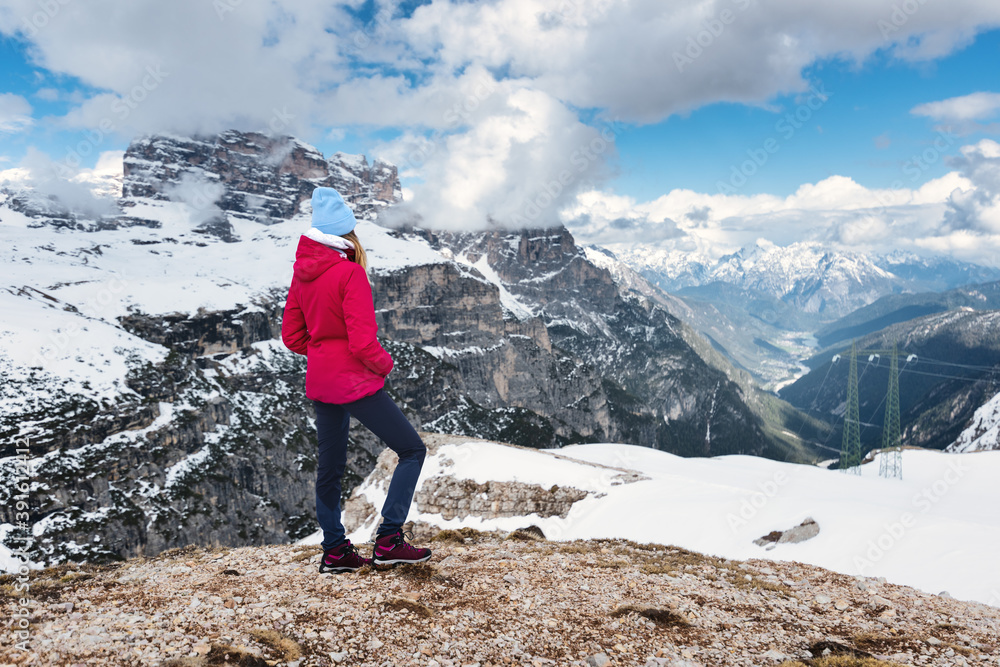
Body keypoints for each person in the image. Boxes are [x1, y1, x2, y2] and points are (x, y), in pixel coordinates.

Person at [281, 186, 431, 573]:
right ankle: (389, 540)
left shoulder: (301, 277)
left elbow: (292, 338)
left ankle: (335, 551)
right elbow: (363, 342)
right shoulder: (350, 274)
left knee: (329, 468)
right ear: (346, 235)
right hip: (355, 383)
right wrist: (384, 365)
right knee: (412, 451)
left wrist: (323, 355)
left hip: (322, 385)